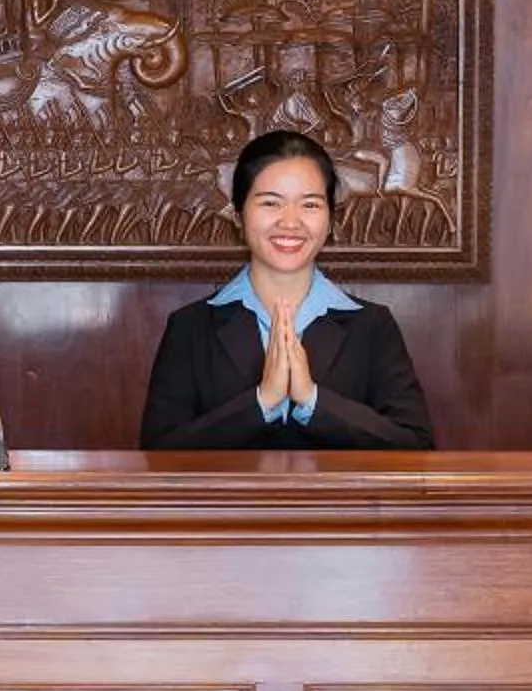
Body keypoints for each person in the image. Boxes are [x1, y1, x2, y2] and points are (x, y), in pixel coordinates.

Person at [138, 129, 435, 450]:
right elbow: (159, 452)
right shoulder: (190, 327)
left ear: (330, 219)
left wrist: (312, 399)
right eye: (271, 203)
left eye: (310, 205)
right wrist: (262, 402)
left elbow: (415, 446)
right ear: (238, 213)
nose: (290, 222)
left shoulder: (373, 326)